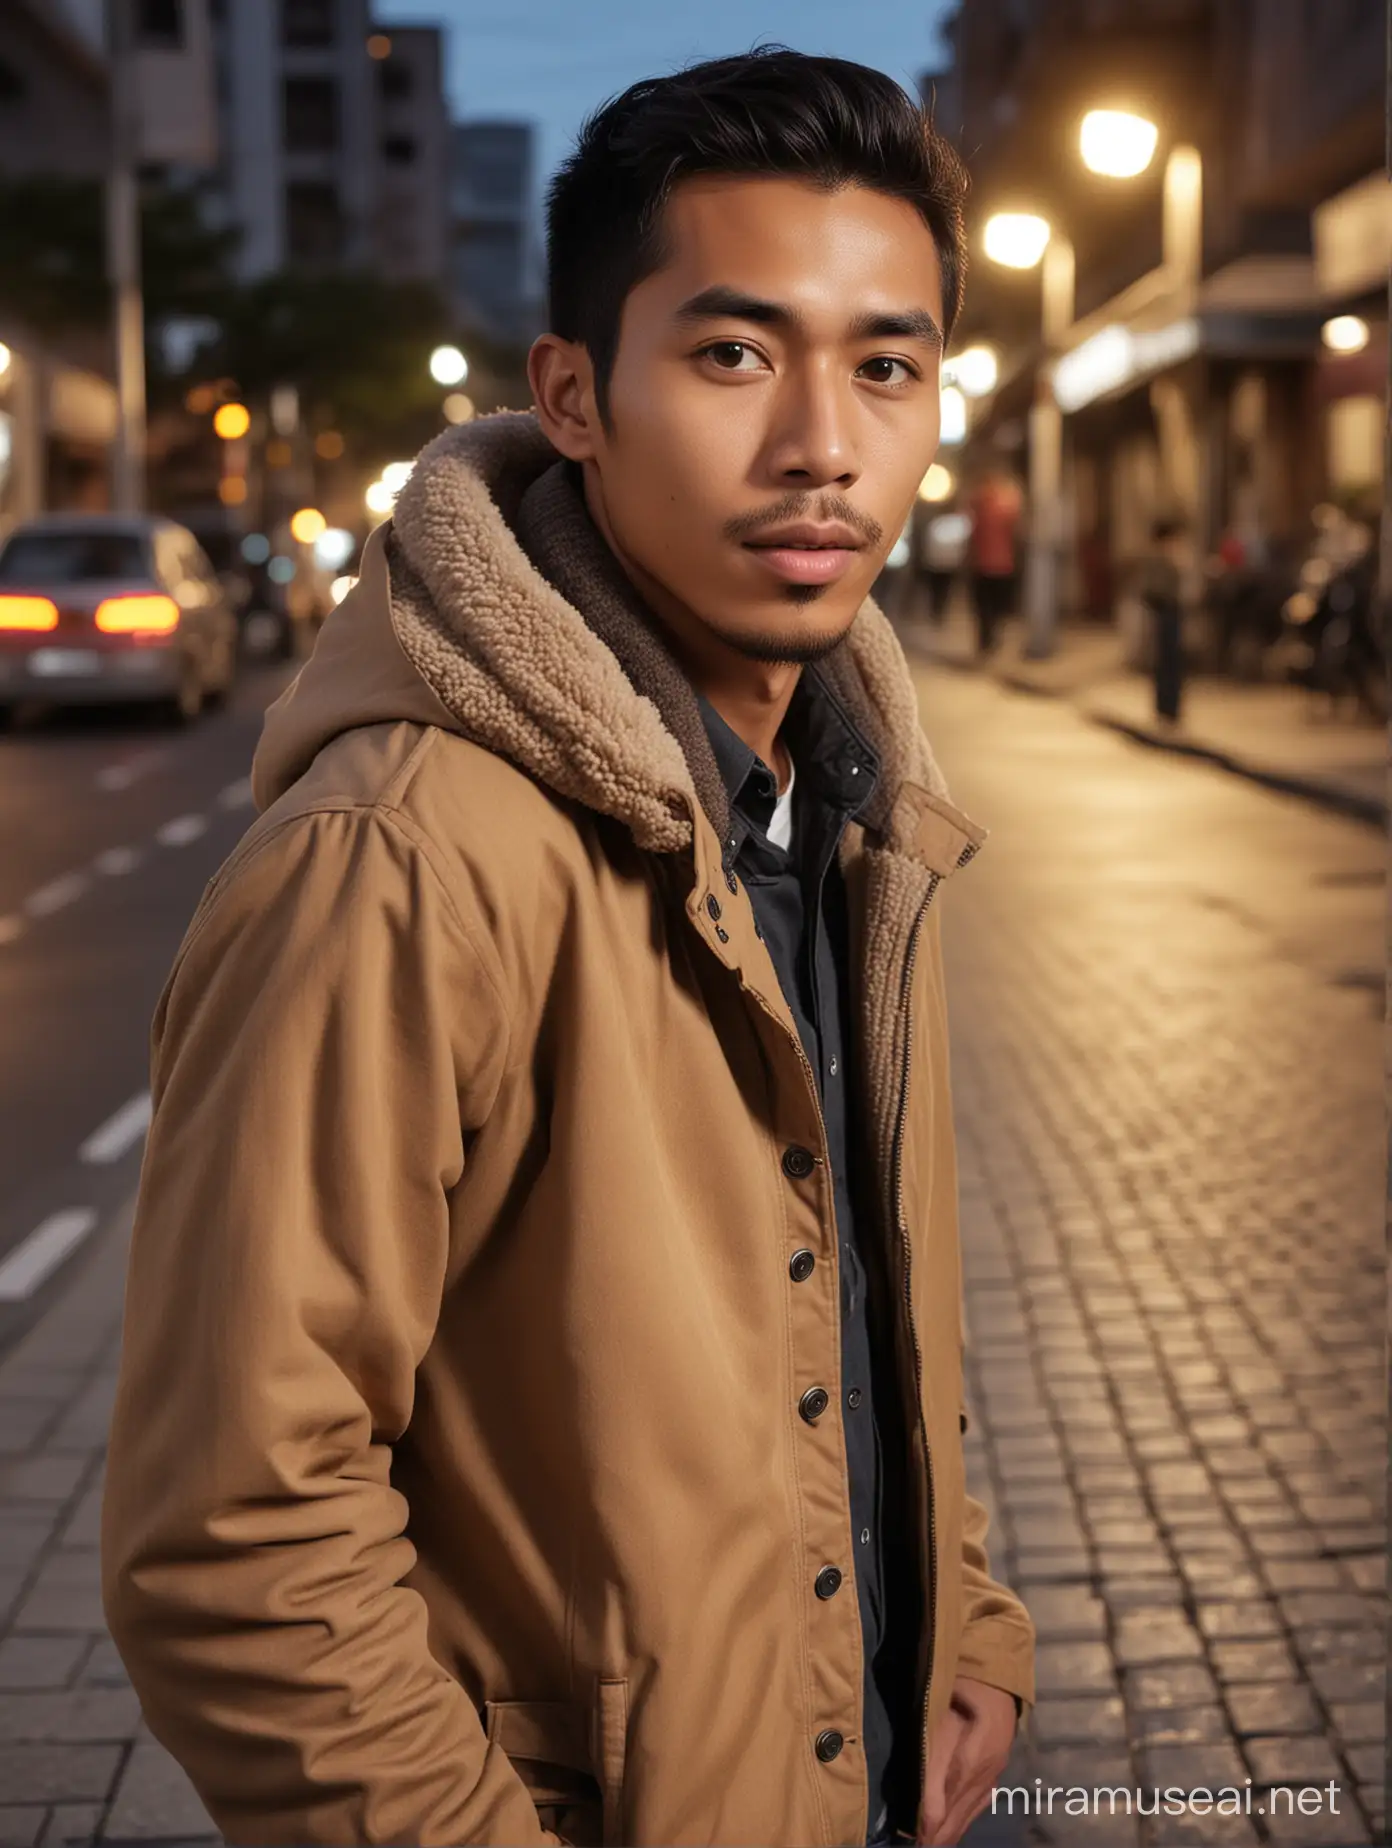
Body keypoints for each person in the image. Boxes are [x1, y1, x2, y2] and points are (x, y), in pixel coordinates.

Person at [102, 49, 1035, 1848]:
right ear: (575, 394)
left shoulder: (846, 806)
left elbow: (848, 1304)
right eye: (733, 353)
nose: (821, 446)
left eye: (886, 366)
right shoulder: (399, 858)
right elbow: (235, 1537)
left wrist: (965, 1623)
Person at [965, 467, 1022, 656]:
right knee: (994, 608)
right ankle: (989, 641)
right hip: (1000, 565)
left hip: (987, 565)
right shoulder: (1006, 503)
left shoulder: (980, 503)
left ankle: (987, 642)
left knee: (986, 609)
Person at [1139, 514, 1189, 723]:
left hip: (1171, 612)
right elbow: (1156, 589)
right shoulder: (1160, 559)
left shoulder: (1170, 558)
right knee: (1167, 660)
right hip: (1165, 612)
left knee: (1171, 661)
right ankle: (1166, 707)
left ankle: (1170, 707)